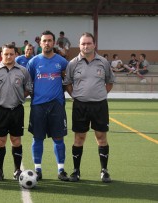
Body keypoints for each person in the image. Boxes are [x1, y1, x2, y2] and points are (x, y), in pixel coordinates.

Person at [64, 32, 115, 183]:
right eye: (83, 44)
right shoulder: (73, 63)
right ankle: (76, 171)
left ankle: (104, 171)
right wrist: (77, 96)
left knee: (101, 137)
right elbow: (67, 83)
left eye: (88, 43)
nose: (85, 46)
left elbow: (109, 82)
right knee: (79, 138)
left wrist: (99, 94)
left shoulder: (103, 62)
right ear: (79, 45)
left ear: (94, 44)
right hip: (80, 106)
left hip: (99, 105)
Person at [26, 30, 69, 181]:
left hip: (56, 105)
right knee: (38, 138)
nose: (47, 43)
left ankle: (61, 170)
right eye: (44, 41)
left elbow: (67, 79)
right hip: (38, 105)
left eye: (50, 40)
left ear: (54, 42)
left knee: (58, 138)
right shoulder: (34, 62)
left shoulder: (62, 61)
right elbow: (29, 81)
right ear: (40, 43)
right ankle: (38, 170)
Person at [0, 43, 32, 181]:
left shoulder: (23, 71)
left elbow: (28, 88)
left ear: (16, 55)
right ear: (1, 55)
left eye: (11, 54)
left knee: (16, 140)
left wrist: (19, 98)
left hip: (17, 110)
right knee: (0, 141)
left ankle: (17, 170)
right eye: (6, 54)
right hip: (0, 110)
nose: (9, 56)